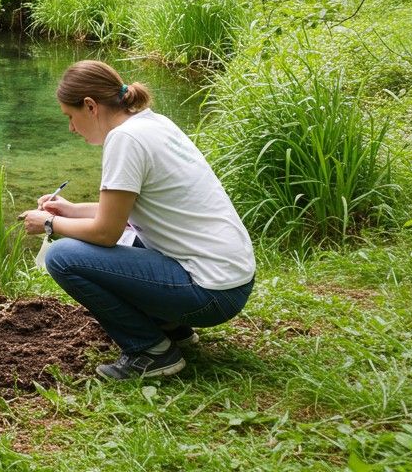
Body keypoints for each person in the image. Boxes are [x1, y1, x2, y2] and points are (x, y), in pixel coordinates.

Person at [22, 60, 255, 380]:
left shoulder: (125, 140)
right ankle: (171, 327)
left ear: (90, 106)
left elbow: (105, 231)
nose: (71, 128)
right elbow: (128, 209)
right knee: (130, 236)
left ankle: (151, 351)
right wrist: (71, 210)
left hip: (211, 292)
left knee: (63, 257)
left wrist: (48, 225)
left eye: (70, 117)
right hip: (232, 279)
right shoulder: (152, 123)